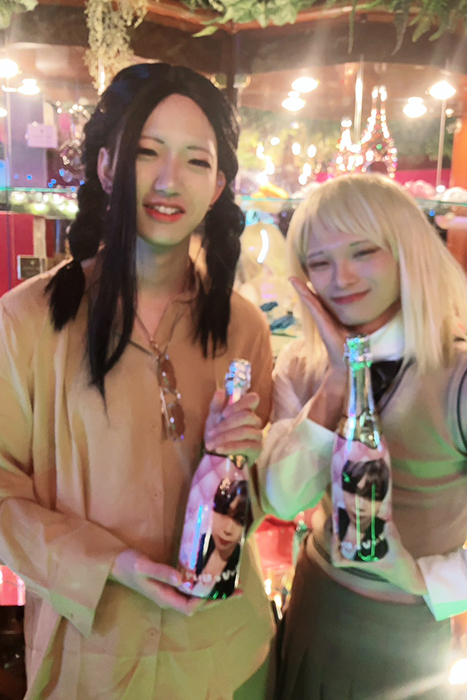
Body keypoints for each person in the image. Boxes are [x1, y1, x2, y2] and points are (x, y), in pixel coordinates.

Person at [0, 63, 274, 700]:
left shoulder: (244, 328)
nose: (168, 180)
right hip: (92, 656)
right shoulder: (28, 321)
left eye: (196, 160)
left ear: (219, 185)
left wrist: (246, 463)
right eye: (147, 152)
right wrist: (110, 564)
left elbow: (259, 497)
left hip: (220, 655)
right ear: (106, 166)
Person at [258, 173, 467, 699]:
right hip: (310, 609)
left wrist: (426, 578)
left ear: (407, 252)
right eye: (319, 262)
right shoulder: (302, 363)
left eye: (363, 252)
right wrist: (336, 381)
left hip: (405, 639)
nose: (340, 277)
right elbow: (281, 498)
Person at [194, 479, 249, 598]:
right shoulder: (197, 545)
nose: (228, 529)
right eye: (223, 512)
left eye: (239, 519)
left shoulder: (239, 559)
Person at [337, 458, 389, 562]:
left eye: (371, 497)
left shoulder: (385, 533)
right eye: (352, 491)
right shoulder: (334, 520)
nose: (359, 506)